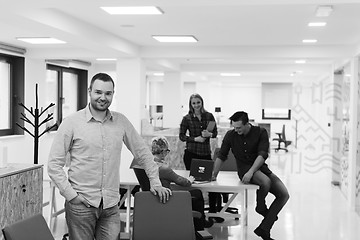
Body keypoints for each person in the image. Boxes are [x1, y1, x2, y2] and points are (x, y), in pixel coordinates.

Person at [48, 73, 171, 240]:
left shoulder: (121, 122)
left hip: (111, 206)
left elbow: (143, 153)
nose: (103, 97)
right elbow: (54, 165)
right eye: (98, 92)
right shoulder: (71, 122)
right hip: (80, 205)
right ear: (90, 91)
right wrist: (71, 196)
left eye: (108, 93)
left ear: (113, 94)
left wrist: (155, 182)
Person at [212, 111, 289, 240]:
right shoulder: (231, 135)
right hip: (243, 169)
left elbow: (263, 154)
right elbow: (222, 155)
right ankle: (262, 210)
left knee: (284, 194)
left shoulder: (260, 132)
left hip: (259, 168)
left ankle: (263, 227)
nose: (236, 130)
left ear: (247, 124)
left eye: (239, 128)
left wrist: (252, 171)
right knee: (265, 182)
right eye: (234, 127)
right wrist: (214, 174)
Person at [130, 136, 214, 230]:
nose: (167, 153)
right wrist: (189, 180)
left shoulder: (139, 164)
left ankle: (196, 222)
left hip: (149, 199)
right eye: (167, 151)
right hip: (165, 199)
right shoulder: (163, 168)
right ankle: (200, 226)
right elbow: (182, 182)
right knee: (197, 193)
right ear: (163, 151)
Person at [179, 93, 223, 222]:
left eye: (198, 102)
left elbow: (215, 133)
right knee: (193, 184)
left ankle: (214, 212)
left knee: (211, 183)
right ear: (190, 104)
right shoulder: (186, 118)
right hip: (191, 153)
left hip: (205, 153)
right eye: (194, 103)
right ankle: (197, 214)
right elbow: (182, 136)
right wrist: (194, 138)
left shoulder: (209, 116)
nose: (196, 105)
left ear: (202, 102)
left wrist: (209, 134)